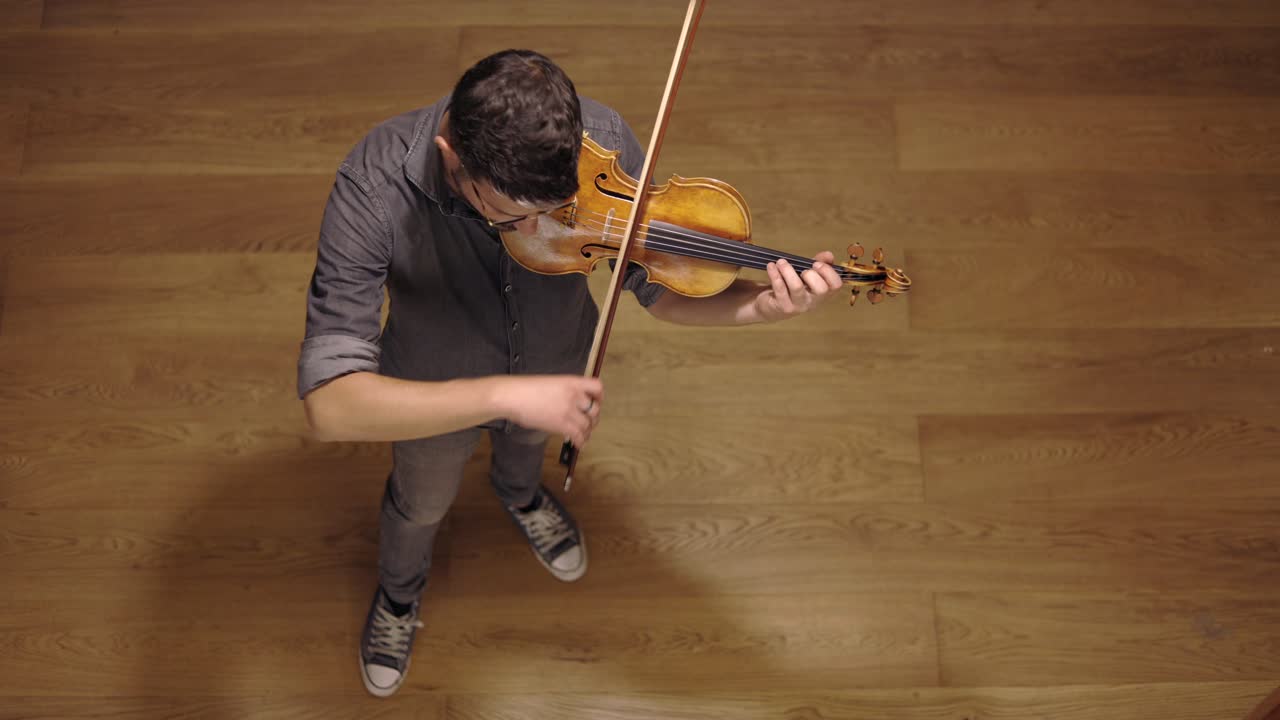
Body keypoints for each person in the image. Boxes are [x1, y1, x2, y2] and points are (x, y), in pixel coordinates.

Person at [296, 48, 844, 698]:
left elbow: (658, 291)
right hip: (429, 389)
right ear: (452, 159)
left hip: (558, 360)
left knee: (525, 455)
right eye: (511, 216)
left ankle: (520, 494)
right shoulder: (374, 182)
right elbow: (329, 405)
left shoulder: (601, 144)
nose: (537, 228)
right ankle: (398, 594)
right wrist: (503, 394)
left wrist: (762, 307)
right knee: (421, 504)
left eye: (553, 210)